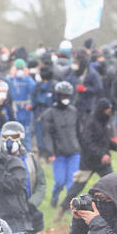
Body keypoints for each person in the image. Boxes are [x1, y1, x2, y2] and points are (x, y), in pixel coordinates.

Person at [66, 99, 117, 201]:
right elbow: (87, 143)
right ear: (102, 110)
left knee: (111, 183)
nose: (108, 113)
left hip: (103, 162)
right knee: (78, 185)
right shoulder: (90, 123)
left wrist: (116, 147)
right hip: (89, 161)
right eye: (107, 111)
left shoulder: (104, 123)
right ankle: (64, 206)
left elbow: (105, 140)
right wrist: (101, 155)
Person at [41, 81, 82, 213]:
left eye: (67, 96)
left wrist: (82, 148)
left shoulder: (74, 111)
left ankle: (70, 207)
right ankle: (54, 198)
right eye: (63, 96)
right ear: (57, 96)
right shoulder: (49, 113)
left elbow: (79, 132)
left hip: (74, 152)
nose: (65, 99)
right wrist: (50, 152)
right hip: (58, 153)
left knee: (72, 182)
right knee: (60, 181)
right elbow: (47, 135)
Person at [0, 121, 47, 222]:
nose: (9, 140)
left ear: (21, 138)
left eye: (14, 136)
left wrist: (32, 203)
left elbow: (41, 184)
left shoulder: (30, 159)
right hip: (4, 213)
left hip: (27, 211)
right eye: (6, 137)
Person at [8, 59, 37, 145]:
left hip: (25, 109)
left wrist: (28, 77)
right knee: (14, 132)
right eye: (18, 69)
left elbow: (34, 90)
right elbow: (8, 91)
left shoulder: (28, 79)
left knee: (26, 132)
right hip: (14, 109)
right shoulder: (11, 79)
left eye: (21, 69)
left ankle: (28, 150)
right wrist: (12, 77)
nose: (19, 71)